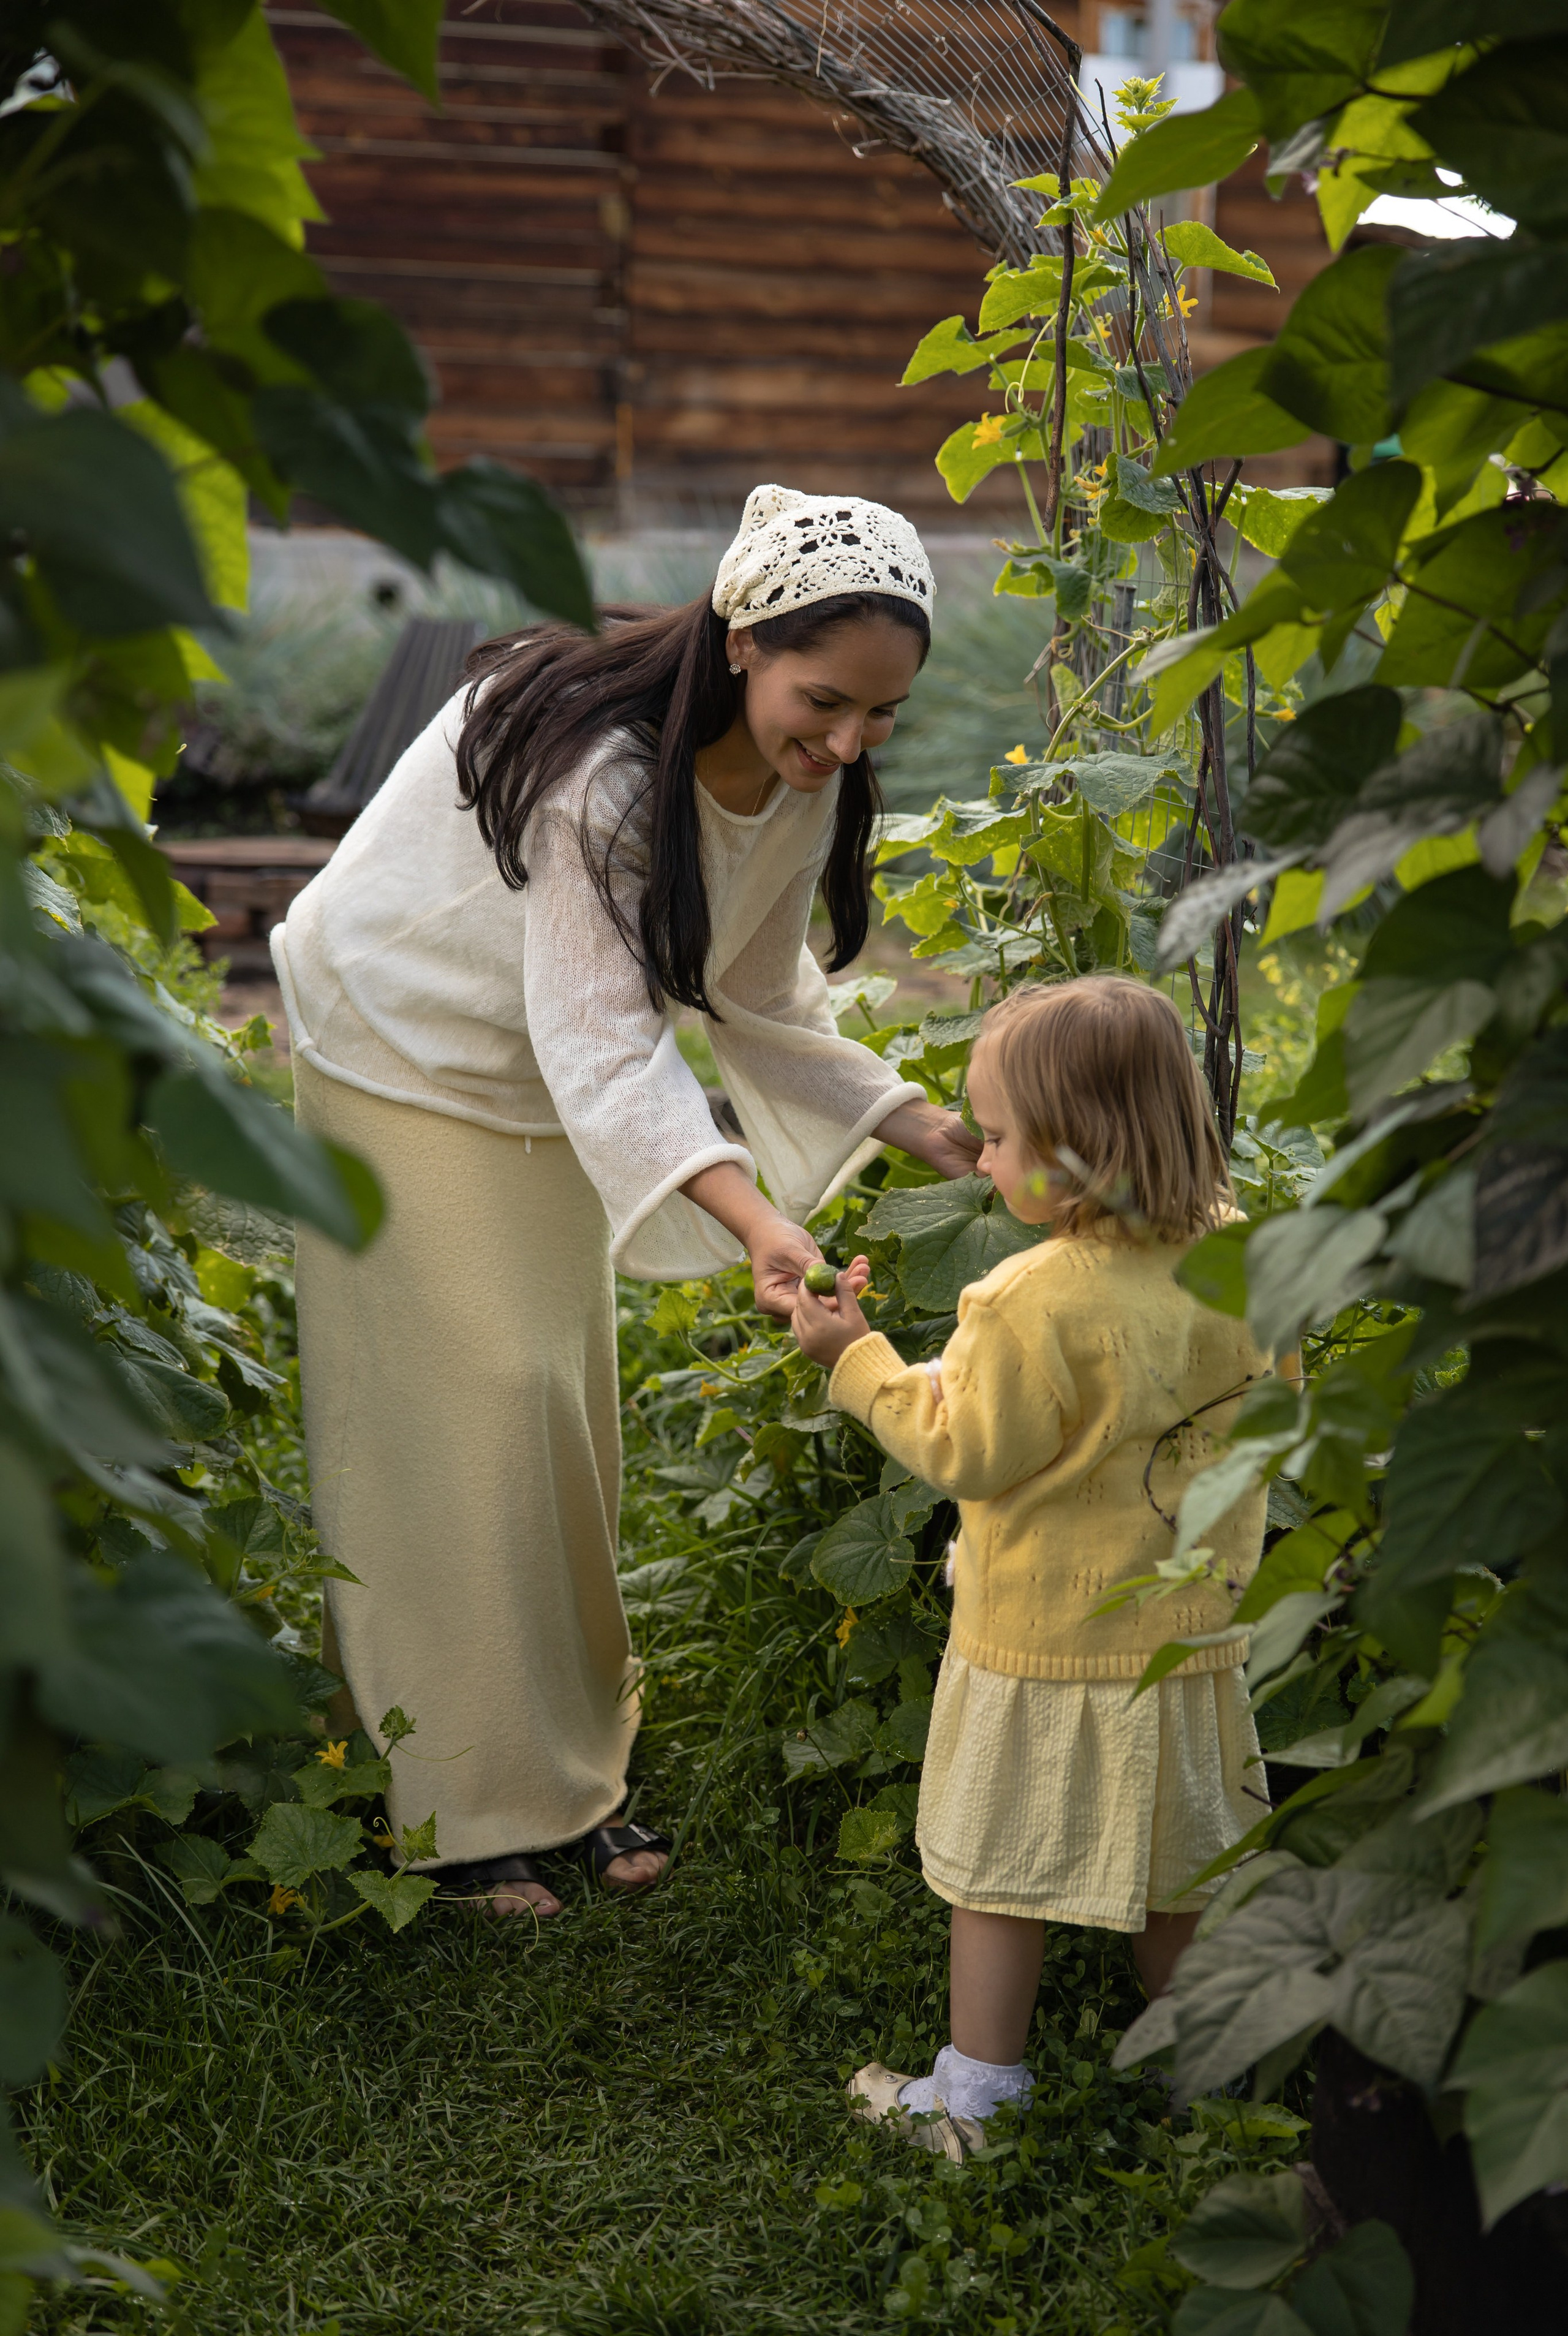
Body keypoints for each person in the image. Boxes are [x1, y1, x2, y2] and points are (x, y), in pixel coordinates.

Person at [271, 484, 979, 1921]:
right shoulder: (601, 771)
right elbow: (609, 1041)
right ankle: (456, 1805)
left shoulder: (802, 777)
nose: (845, 744)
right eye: (824, 701)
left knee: (560, 1414)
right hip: (397, 1046)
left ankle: (565, 1778)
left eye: (879, 718)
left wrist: (925, 1124)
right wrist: (753, 1217)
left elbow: (758, 1000)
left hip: (531, 1069)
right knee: (461, 1413)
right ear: (739, 641)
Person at [790, 975, 1271, 2156]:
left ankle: (975, 2103)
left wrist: (860, 1362)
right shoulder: (1248, 1264)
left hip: (1042, 1644)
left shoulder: (1023, 1299)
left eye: (1000, 1137)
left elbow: (967, 1449)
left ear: (1080, 1149)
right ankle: (1204, 2080)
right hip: (1187, 1636)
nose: (983, 1158)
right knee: (1178, 1870)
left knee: (996, 1875)